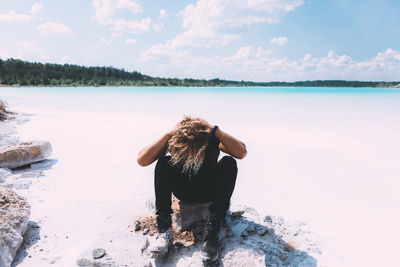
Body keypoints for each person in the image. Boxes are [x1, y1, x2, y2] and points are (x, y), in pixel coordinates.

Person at [137, 116, 247, 262]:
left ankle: (211, 234)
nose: (191, 135)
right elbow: (142, 160)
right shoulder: (176, 141)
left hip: (210, 192)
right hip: (184, 191)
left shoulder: (210, 140)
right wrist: (168, 134)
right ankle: (164, 231)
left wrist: (214, 129)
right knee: (164, 163)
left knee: (229, 162)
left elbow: (241, 152)